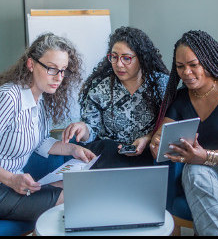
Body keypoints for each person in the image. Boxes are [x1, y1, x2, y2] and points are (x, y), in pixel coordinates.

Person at [150, 30, 218, 236]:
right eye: (180, 66)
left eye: (193, 64)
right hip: (205, 170)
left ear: (209, 61)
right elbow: (161, 136)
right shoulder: (180, 99)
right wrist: (156, 144)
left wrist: (205, 156)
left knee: (208, 210)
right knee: (193, 170)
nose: (186, 72)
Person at [0, 32, 99, 222]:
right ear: (31, 64)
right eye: (52, 69)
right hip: (4, 186)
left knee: (76, 187)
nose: (59, 77)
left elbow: (41, 142)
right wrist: (11, 179)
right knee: (73, 198)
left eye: (63, 70)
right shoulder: (9, 97)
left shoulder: (40, 100)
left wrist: (73, 148)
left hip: (14, 184)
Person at [62, 26, 170, 168]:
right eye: (114, 57)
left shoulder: (161, 84)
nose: (119, 64)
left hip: (149, 153)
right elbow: (92, 128)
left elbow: (170, 124)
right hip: (110, 155)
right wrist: (83, 129)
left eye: (126, 58)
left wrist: (147, 138)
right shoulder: (100, 87)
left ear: (142, 58)